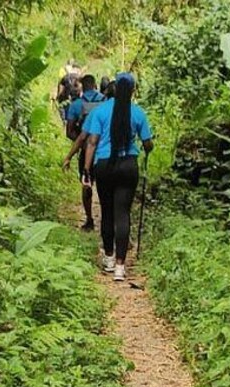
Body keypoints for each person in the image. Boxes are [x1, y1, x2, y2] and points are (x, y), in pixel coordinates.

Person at [83, 72, 154, 282]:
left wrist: (87, 169)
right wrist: (148, 146)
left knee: (107, 210)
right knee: (123, 213)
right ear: (132, 90)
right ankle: (121, 267)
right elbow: (148, 143)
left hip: (104, 165)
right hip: (128, 166)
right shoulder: (138, 113)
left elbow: (92, 141)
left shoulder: (100, 111)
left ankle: (109, 257)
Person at [63, 75, 106, 231]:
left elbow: (69, 132)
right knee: (105, 186)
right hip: (103, 151)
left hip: (85, 150)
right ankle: (107, 219)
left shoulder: (76, 105)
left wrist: (82, 145)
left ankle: (89, 220)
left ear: (82, 86)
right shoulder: (105, 101)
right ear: (95, 85)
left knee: (86, 183)